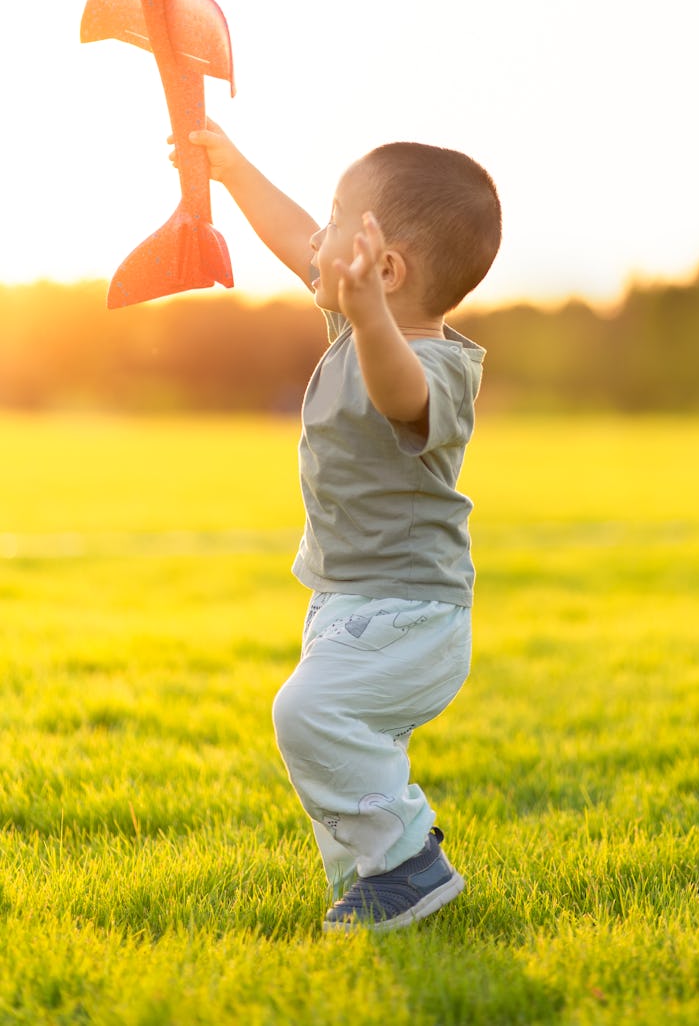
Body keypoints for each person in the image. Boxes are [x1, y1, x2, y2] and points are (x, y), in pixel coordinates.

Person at [182, 121, 501, 931]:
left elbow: (399, 395)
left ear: (385, 271)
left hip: (412, 611)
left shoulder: (434, 368)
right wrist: (231, 167)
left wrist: (367, 319)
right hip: (346, 605)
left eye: (337, 223)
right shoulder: (354, 323)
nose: (317, 239)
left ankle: (408, 864)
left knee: (305, 716)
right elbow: (296, 237)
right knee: (336, 746)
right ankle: (377, 880)